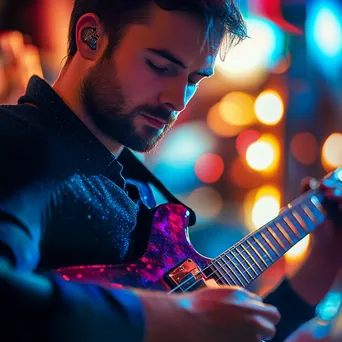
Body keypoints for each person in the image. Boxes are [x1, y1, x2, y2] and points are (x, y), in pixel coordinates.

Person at [0, 1, 341, 341]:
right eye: (161, 66)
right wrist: (172, 316)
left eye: (194, 79)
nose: (179, 99)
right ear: (91, 37)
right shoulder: (21, 141)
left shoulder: (133, 183)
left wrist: (319, 268)